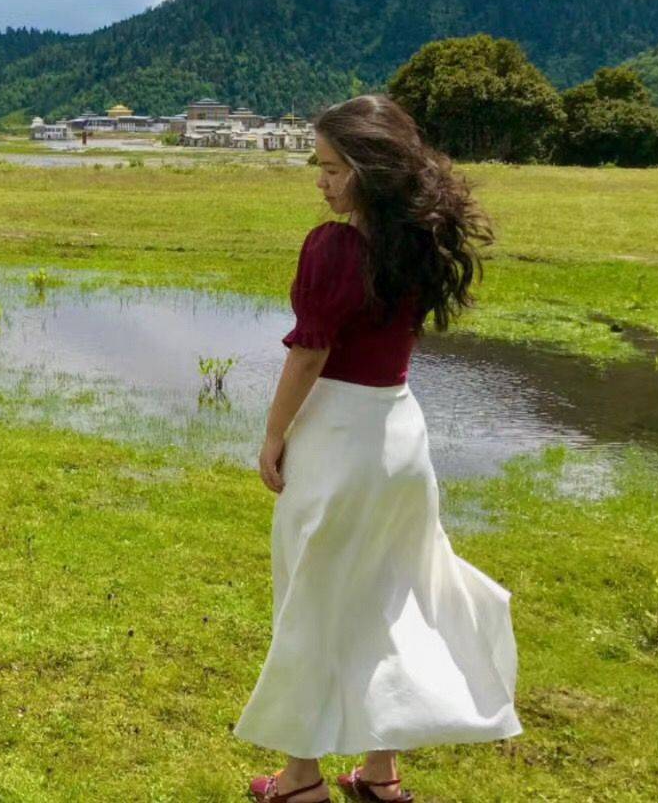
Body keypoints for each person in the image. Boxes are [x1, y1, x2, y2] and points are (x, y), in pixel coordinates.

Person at [234, 95, 522, 803]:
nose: (320, 182)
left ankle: (301, 781)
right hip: (400, 434)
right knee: (392, 593)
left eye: (333, 168)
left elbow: (310, 354)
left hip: (339, 438)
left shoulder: (335, 247)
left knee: (314, 596)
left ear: (369, 169)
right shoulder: (418, 240)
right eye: (318, 167)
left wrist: (273, 435)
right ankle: (379, 772)